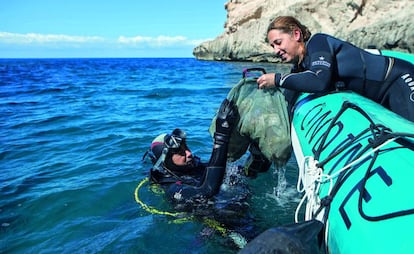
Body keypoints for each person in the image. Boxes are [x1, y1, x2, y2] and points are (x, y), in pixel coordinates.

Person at [257, 16, 414, 122]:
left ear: (296, 34)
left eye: (278, 42)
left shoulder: (318, 42)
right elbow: (289, 99)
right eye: (272, 46)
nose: (276, 50)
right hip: (379, 96)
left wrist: (277, 79)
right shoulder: (301, 66)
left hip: (399, 80)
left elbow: (319, 81)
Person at [142, 99, 240, 207]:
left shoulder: (196, 168)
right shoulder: (171, 187)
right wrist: (221, 137)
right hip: (215, 222)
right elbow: (206, 192)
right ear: (165, 160)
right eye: (180, 152)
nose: (189, 153)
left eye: (186, 147)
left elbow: (234, 172)